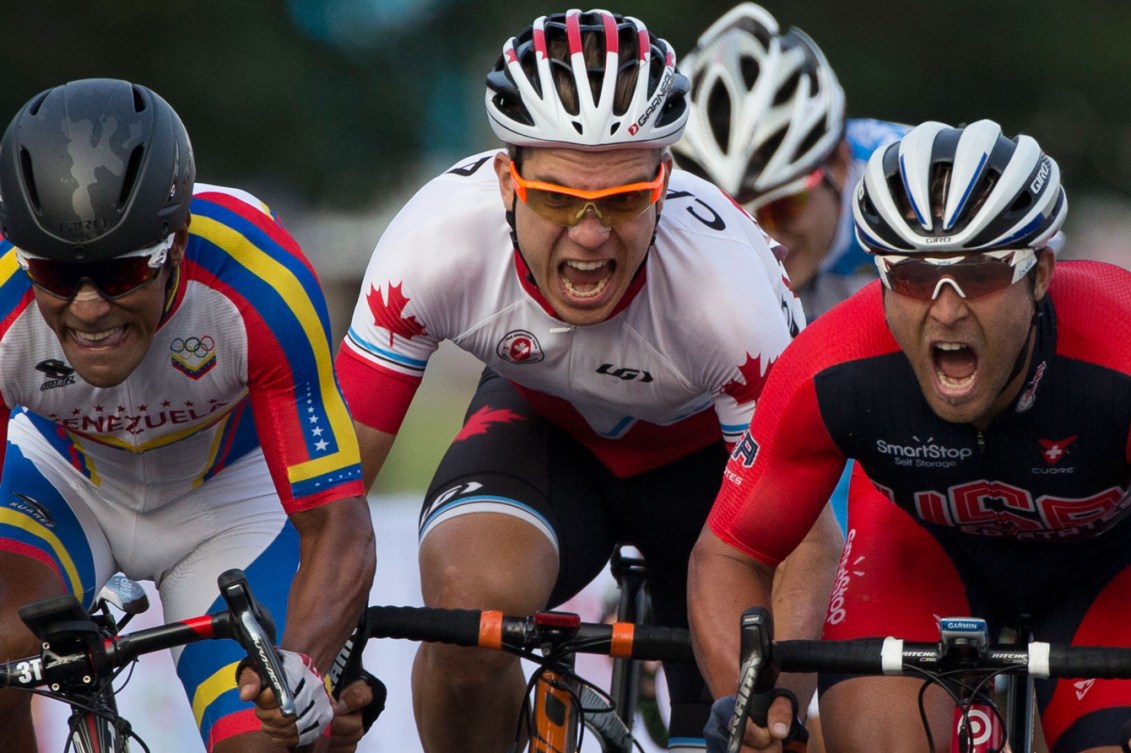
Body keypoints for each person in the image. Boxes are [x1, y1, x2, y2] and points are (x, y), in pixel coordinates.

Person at [334, 9, 843, 752]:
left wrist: (775, 708)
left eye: (624, 201)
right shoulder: (434, 243)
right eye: (555, 199)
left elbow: (806, 541)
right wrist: (307, 665)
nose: (589, 234)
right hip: (544, 432)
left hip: (708, 473)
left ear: (663, 181)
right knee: (465, 618)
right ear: (507, 181)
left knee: (742, 722)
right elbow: (331, 492)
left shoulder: (729, 290)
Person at [690, 118, 1131, 753]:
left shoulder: (1116, 355)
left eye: (979, 276)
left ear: (1039, 274)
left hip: (1107, 573)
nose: (946, 311)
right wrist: (749, 698)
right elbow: (731, 550)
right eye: (914, 278)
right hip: (919, 559)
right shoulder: (834, 367)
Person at [0, 78, 376, 753]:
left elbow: (338, 526)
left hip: (227, 500)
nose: (87, 308)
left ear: (175, 244)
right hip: (63, 479)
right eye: (55, 275)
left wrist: (305, 667)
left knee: (271, 736)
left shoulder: (258, 280)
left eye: (119, 275)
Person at [672, 2, 908, 322]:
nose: (766, 244)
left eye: (781, 208)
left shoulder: (906, 192)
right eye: (731, 218)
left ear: (839, 164)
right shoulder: (672, 225)